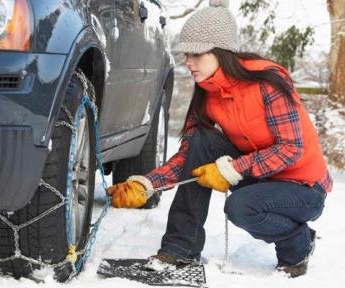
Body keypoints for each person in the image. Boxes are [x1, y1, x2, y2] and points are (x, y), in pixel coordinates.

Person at [107, 0, 332, 278]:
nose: (188, 62)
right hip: (261, 177)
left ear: (221, 52)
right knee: (201, 139)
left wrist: (233, 168)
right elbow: (190, 157)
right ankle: (180, 249)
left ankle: (298, 244)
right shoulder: (208, 94)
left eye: (196, 54)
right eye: (187, 54)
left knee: (240, 207)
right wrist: (147, 184)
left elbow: (291, 149)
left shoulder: (268, 84)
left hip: (303, 188)